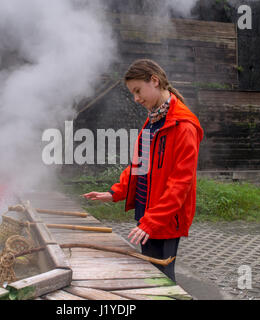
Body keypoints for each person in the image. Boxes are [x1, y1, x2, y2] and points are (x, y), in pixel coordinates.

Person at [83, 59, 204, 282]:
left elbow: (180, 184)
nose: (136, 99)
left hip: (164, 220)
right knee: (150, 276)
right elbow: (139, 166)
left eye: (138, 91)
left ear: (155, 81)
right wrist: (115, 192)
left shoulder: (184, 126)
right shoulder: (153, 122)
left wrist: (152, 221)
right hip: (146, 214)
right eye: (133, 93)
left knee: (163, 280)